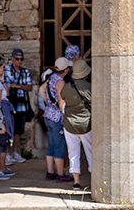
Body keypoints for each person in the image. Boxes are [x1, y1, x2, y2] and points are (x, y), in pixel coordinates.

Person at [59, 59, 93, 192]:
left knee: (73, 153)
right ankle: (93, 179)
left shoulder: (67, 87)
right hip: (86, 124)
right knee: (90, 152)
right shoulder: (91, 87)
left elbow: (62, 99)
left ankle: (76, 182)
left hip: (69, 124)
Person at [38, 58, 72, 182]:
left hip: (48, 115)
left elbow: (41, 89)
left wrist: (48, 102)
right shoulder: (60, 82)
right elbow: (60, 100)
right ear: (66, 69)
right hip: (57, 117)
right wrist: (64, 113)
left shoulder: (51, 77)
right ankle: (60, 173)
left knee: (51, 145)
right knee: (59, 146)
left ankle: (50, 172)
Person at [4, 49, 36, 161]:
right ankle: (7, 153)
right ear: (12, 58)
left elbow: (30, 87)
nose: (19, 61)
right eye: (17, 59)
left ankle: (16, 152)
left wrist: (17, 86)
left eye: (21, 59)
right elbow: (6, 85)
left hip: (21, 104)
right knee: (8, 128)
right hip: (9, 103)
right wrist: (18, 86)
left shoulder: (24, 72)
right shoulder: (6, 70)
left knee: (18, 130)